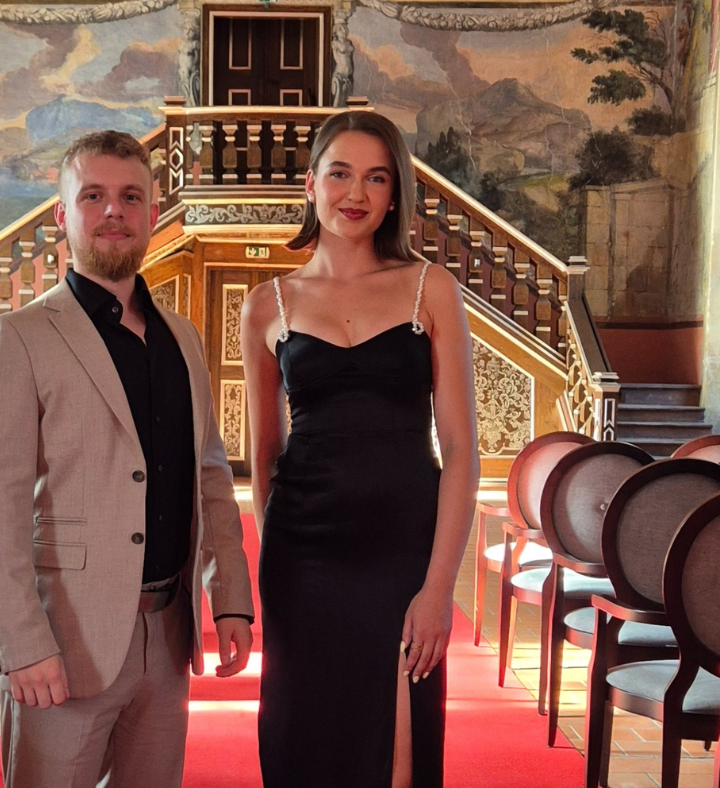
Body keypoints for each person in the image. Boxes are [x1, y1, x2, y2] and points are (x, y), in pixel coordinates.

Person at [0, 130, 255, 788]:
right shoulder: (18, 337)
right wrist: (22, 643)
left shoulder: (183, 338)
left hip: (168, 635)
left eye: (130, 196)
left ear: (154, 212)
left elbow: (210, 479)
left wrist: (231, 599)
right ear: (63, 214)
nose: (113, 211)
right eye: (93, 196)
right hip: (64, 641)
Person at [241, 110, 480, 787]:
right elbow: (264, 459)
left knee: (396, 748)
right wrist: (280, 560)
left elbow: (461, 451)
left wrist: (439, 587)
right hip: (303, 557)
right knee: (303, 736)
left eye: (377, 178)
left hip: (402, 553)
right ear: (310, 185)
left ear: (395, 193)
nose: (356, 193)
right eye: (340, 173)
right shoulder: (266, 304)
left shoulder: (431, 288)